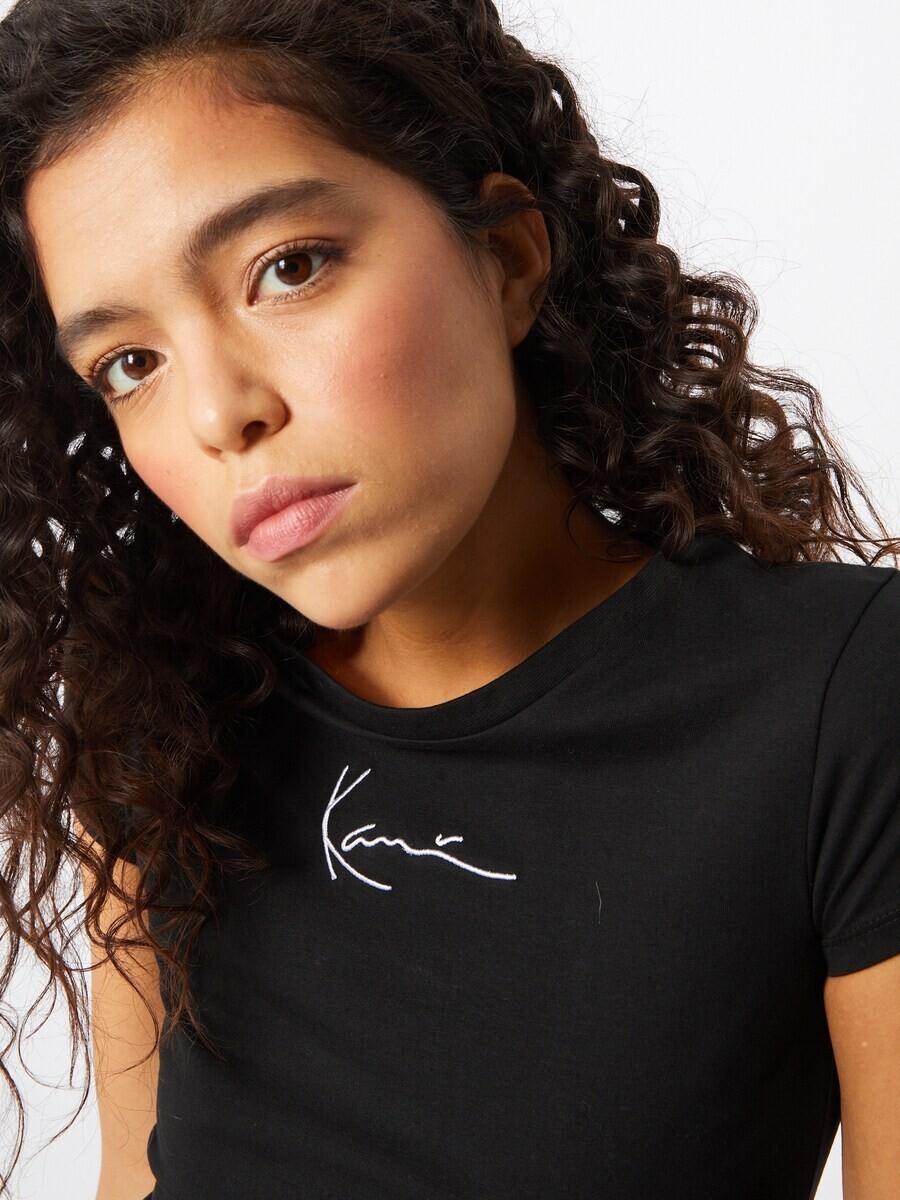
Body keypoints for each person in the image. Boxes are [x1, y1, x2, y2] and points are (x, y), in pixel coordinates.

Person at [0, 1, 897, 1197]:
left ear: (509, 258)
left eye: (288, 268)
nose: (221, 413)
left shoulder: (841, 704)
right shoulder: (163, 733)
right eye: (131, 363)